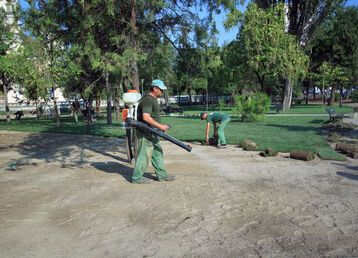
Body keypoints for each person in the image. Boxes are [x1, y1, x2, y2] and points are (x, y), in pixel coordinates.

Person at [131, 79, 175, 184]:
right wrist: (161, 126)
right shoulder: (148, 100)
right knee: (144, 154)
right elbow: (146, 117)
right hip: (145, 132)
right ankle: (136, 178)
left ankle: (162, 175)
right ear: (155, 88)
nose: (162, 92)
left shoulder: (153, 99)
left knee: (157, 152)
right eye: (161, 90)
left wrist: (158, 128)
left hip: (152, 132)